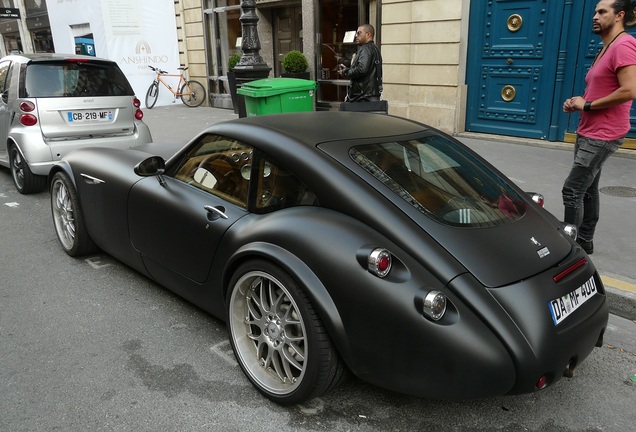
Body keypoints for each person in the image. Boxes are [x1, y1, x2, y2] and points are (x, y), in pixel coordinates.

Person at [562, 0, 636, 254]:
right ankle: (585, 240)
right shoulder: (606, 48)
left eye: (602, 12)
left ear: (620, 16)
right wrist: (578, 103)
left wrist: (589, 105)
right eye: (595, 11)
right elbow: (603, 87)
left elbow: (630, 90)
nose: (595, 16)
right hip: (589, 130)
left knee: (572, 190)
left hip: (603, 134)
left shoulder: (624, 45)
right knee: (589, 189)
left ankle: (568, 249)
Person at [338, 24, 383, 102]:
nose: (356, 36)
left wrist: (346, 72)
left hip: (362, 97)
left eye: (359, 33)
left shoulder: (366, 49)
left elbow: (361, 69)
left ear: (368, 34)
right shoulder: (374, 48)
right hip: (369, 96)